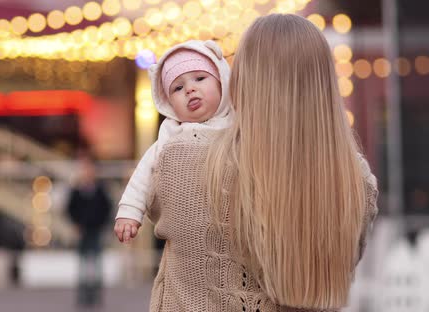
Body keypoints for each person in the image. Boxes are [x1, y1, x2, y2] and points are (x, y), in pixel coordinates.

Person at [142, 14, 379, 312]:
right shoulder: (355, 180)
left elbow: (154, 207)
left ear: (240, 78)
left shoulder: (181, 156)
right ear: (326, 86)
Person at [114, 40, 233, 243]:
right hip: (187, 229)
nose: (190, 89)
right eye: (178, 88)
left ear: (222, 80)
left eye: (200, 78)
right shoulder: (172, 134)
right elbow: (143, 175)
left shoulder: (237, 125)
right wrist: (130, 210)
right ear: (169, 103)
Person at [67, 150, 112, 307]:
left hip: (96, 231)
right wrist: (76, 224)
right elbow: (70, 209)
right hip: (83, 231)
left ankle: (96, 297)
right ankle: (83, 297)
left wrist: (102, 225)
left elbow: (107, 208)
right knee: (83, 267)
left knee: (97, 266)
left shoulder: (100, 190)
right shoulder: (76, 190)